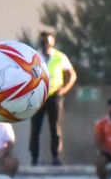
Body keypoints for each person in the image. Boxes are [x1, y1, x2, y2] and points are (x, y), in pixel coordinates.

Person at [29, 30, 76, 167]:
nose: (45, 44)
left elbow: (72, 75)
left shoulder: (60, 57)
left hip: (54, 95)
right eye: (43, 42)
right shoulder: (34, 57)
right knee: (35, 128)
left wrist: (64, 89)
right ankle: (34, 158)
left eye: (48, 42)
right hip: (38, 95)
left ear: (53, 42)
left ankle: (56, 157)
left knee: (55, 128)